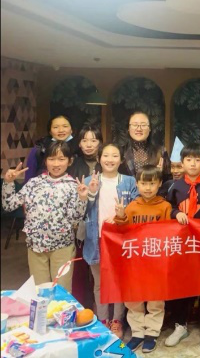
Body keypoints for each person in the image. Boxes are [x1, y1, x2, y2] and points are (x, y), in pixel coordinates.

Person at [2, 141, 88, 290]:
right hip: (35, 246)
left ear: (69, 161)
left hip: (62, 246)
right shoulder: (34, 183)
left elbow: (75, 218)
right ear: (45, 161)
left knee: (61, 291)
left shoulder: (73, 185)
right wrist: (8, 182)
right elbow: (9, 205)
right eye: (51, 159)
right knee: (40, 291)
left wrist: (82, 198)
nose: (56, 164)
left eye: (61, 159)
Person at [165, 143, 200, 350]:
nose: (193, 163)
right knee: (182, 284)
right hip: (183, 245)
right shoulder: (176, 185)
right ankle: (180, 325)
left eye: (197, 160)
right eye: (188, 159)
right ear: (182, 162)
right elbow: (168, 207)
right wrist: (175, 213)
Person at [83, 142, 138, 340]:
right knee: (99, 283)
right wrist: (89, 194)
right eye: (106, 155)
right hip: (96, 239)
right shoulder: (90, 180)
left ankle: (117, 320)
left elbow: (136, 206)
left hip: (121, 240)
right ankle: (102, 320)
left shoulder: (129, 181)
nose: (110, 159)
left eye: (115, 156)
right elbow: (81, 211)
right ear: (99, 158)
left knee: (118, 282)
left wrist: (120, 215)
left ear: (121, 160)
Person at [115, 165, 172, 353]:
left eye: (152, 183)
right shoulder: (132, 206)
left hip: (156, 262)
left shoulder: (165, 207)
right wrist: (121, 216)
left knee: (156, 299)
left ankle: (151, 333)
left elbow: (170, 233)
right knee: (133, 298)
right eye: (143, 183)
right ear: (137, 184)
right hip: (135, 262)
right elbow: (122, 232)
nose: (148, 188)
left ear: (159, 184)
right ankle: (137, 332)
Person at [68, 124, 102, 310]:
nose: (89, 145)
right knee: (80, 269)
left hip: (102, 223)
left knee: (100, 270)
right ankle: (83, 307)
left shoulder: (107, 161)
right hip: (80, 224)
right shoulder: (73, 165)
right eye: (84, 140)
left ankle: (102, 309)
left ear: (100, 143)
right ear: (79, 143)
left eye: (93, 140)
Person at [119, 111, 171, 182]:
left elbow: (168, 180)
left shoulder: (160, 151)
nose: (139, 129)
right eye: (135, 125)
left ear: (150, 128)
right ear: (128, 128)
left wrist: (159, 174)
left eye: (143, 125)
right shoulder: (120, 151)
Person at [25, 114, 78, 182]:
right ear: (50, 131)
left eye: (65, 126)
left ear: (71, 130)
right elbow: (29, 176)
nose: (61, 130)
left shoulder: (79, 149)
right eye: (56, 127)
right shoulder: (40, 149)